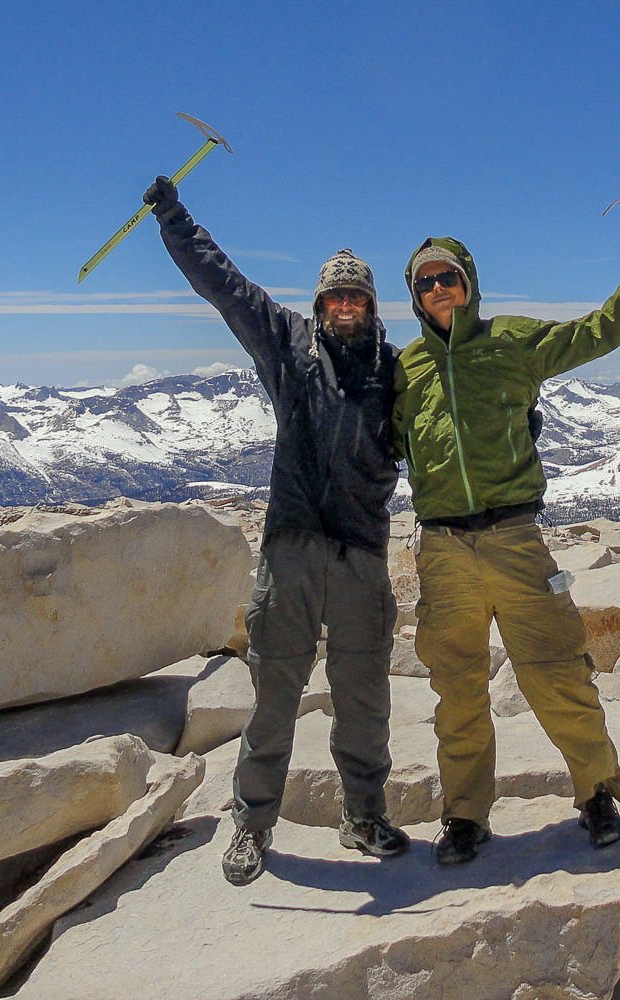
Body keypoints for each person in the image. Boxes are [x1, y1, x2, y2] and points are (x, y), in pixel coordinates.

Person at [142, 176, 409, 885]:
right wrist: (175, 218)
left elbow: (443, 430)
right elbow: (224, 286)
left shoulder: (394, 371)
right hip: (291, 552)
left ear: (371, 306)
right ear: (320, 306)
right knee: (274, 701)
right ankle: (252, 827)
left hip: (361, 556)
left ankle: (363, 815)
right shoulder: (289, 348)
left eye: (355, 297)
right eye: (333, 298)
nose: (344, 306)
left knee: (364, 700)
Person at [392, 230, 620, 864]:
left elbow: (597, 332)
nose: (438, 289)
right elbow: (376, 443)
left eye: (447, 278)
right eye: (424, 283)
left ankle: (597, 795)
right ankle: (464, 816)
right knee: (458, 688)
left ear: (468, 282)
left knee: (556, 672)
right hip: (441, 549)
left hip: (515, 539)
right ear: (413, 297)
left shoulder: (511, 341)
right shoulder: (405, 369)